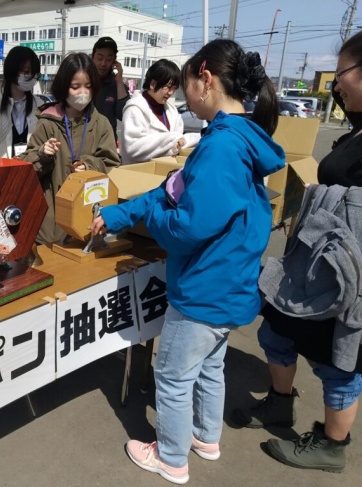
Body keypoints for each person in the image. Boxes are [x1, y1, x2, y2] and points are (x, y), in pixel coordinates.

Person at [90, 39, 284, 484]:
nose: (182, 96)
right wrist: (121, 213)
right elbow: (173, 190)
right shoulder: (236, 139)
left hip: (203, 289)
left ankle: (172, 457)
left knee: (173, 376)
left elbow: (186, 226)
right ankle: (204, 437)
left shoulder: (220, 148)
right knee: (211, 365)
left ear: (206, 78)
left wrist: (152, 217)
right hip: (230, 284)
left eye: (187, 85)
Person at [232, 32, 362, 474]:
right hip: (312, 263)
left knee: (339, 359)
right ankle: (279, 403)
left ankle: (332, 443)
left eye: (342, 73)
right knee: (276, 330)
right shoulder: (356, 128)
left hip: (345, 275)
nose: (335, 84)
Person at [20, 52, 121, 245]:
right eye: (75, 87)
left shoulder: (101, 124)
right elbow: (26, 168)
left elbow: (112, 165)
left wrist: (89, 165)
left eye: (88, 86)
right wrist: (42, 154)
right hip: (51, 223)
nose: (82, 92)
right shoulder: (48, 123)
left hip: (89, 221)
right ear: (64, 87)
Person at [121, 59, 201, 164]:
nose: (170, 92)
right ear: (153, 84)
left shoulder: (172, 111)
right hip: (138, 174)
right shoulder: (135, 109)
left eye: (174, 88)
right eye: (167, 87)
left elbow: (179, 143)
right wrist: (172, 140)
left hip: (165, 172)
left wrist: (178, 141)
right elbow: (133, 148)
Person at [0, 46, 41, 158]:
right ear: (12, 70)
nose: (31, 76)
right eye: (26, 71)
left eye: (34, 72)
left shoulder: (39, 104)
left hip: (31, 172)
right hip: (1, 171)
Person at [91, 36, 130, 142]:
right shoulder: (83, 82)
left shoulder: (117, 85)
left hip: (107, 144)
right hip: (83, 143)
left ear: (114, 61)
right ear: (92, 57)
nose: (103, 63)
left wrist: (119, 81)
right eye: (99, 58)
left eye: (109, 59)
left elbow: (124, 115)